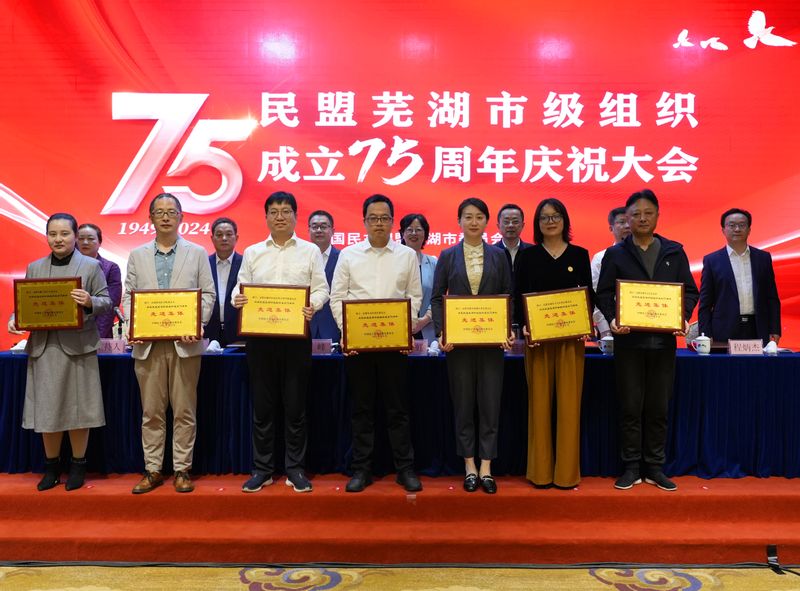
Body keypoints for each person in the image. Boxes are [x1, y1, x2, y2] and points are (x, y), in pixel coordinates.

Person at [596, 189, 698, 492]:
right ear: (626, 218)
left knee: (658, 407)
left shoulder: (674, 251)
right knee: (630, 407)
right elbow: (604, 293)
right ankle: (631, 467)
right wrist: (612, 319)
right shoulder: (616, 254)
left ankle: (654, 467)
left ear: (657, 216)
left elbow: (690, 291)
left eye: (648, 213)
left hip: (663, 344)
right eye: (635, 214)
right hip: (628, 343)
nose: (642, 218)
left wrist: (682, 316)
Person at [233, 191, 329, 493]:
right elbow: (239, 287)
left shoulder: (310, 251)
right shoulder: (252, 252)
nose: (280, 217)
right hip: (260, 339)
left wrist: (312, 305)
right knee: (263, 407)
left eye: (286, 211)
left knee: (295, 406)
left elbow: (322, 289)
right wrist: (238, 298)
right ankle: (262, 470)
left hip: (296, 338)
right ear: (266, 217)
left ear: (296, 216)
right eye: (274, 211)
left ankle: (295, 469)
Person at [8, 213, 112, 491]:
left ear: (75, 236)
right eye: (52, 234)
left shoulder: (91, 266)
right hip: (44, 348)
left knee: (80, 410)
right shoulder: (35, 267)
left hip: (78, 348)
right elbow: (25, 303)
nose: (58, 239)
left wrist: (90, 301)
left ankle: (78, 465)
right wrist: (15, 319)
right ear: (46, 236)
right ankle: (51, 467)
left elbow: (107, 302)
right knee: (47, 410)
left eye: (64, 233)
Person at [329, 194, 423, 493]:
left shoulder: (406, 255)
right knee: (362, 409)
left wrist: (404, 329)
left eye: (384, 218)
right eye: (373, 218)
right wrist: (348, 332)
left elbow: (414, 296)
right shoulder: (349, 255)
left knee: (398, 410)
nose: (379, 223)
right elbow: (337, 297)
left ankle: (405, 469)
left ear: (392, 222)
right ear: (364, 221)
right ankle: (362, 469)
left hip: (395, 345)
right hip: (359, 346)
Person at [122, 193, 215, 494]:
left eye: (171, 212)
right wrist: (133, 327)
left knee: (185, 411)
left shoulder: (197, 252)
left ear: (181, 217)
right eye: (159, 212)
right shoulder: (137, 255)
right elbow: (128, 296)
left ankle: (182, 469)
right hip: (148, 344)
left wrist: (196, 325)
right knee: (151, 412)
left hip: (185, 344)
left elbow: (208, 294)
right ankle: (152, 470)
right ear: (150, 217)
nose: (165, 217)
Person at [430, 198, 513, 494]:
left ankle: (486, 467)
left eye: (479, 217)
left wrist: (506, 329)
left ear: (487, 221)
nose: (474, 222)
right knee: (463, 404)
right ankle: (469, 466)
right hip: (459, 345)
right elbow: (437, 297)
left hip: (491, 343)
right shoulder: (448, 255)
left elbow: (507, 295)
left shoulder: (499, 256)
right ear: (459, 221)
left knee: (490, 404)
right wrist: (442, 332)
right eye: (468, 217)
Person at [514, 198, 592, 490]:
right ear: (537, 223)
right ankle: (541, 472)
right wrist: (523, 324)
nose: (550, 221)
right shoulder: (527, 256)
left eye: (556, 216)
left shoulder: (580, 255)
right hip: (537, 341)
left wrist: (586, 324)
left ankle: (566, 474)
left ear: (565, 220)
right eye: (544, 217)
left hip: (571, 340)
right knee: (539, 406)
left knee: (570, 406)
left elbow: (588, 295)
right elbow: (517, 295)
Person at [698, 208, 781, 346]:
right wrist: (705, 334)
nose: (737, 229)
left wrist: (775, 329)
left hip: (758, 328)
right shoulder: (712, 261)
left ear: (749, 230)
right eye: (731, 225)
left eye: (742, 225)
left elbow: (772, 297)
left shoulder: (763, 258)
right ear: (723, 230)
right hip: (723, 329)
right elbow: (705, 303)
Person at [77, 223, 122, 338]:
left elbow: (110, 307)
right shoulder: (67, 267)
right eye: (81, 238)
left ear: (99, 242)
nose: (85, 242)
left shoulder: (111, 268)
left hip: (99, 334)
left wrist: (97, 337)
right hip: (69, 334)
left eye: (90, 238)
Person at [590, 208, 630, 337]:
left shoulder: (646, 257)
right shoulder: (600, 258)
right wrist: (605, 329)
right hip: (611, 327)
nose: (627, 226)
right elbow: (595, 294)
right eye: (622, 222)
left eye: (630, 221)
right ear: (611, 228)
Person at [400, 213, 437, 344]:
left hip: (427, 327)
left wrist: (425, 319)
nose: (414, 233)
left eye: (418, 230)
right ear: (403, 234)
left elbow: (438, 296)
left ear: (425, 235)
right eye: (409, 229)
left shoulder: (434, 263)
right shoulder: (392, 263)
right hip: (398, 326)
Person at [205, 217, 242, 347]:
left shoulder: (245, 264)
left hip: (238, 334)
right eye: (219, 235)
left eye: (229, 234)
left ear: (236, 238)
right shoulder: (204, 264)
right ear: (212, 238)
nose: (224, 238)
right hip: (208, 333)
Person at [308, 210, 341, 343]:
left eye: (323, 226)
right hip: (304, 327)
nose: (319, 230)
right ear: (308, 230)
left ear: (332, 231)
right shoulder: (300, 258)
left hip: (333, 328)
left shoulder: (343, 258)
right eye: (315, 226)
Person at [496, 204, 532, 274]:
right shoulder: (490, 253)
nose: (511, 225)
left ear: (522, 225)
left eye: (515, 222)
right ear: (498, 226)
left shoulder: (532, 252)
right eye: (506, 222)